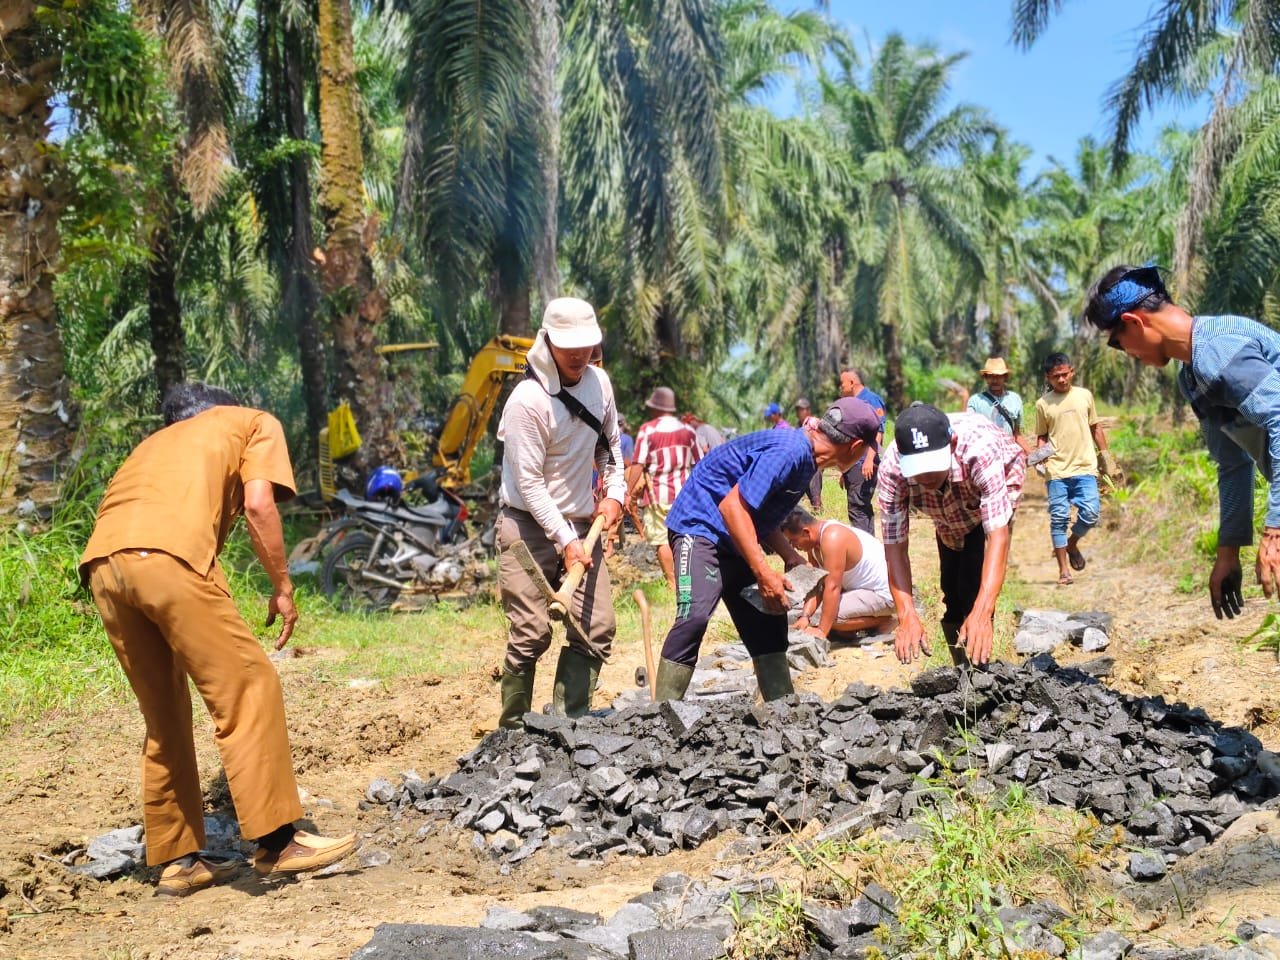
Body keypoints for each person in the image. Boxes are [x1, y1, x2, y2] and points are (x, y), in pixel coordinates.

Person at [78, 383, 358, 897]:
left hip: (103, 566)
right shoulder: (251, 421)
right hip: (168, 559)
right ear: (225, 409)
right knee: (249, 686)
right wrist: (282, 586)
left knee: (164, 716)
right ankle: (279, 843)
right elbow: (259, 505)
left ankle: (179, 861)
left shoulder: (154, 443)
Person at [1083, 262, 1280, 619]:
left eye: (1117, 343)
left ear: (1133, 322)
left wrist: (1275, 531)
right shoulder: (1192, 377)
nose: (1128, 355)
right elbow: (1232, 463)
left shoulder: (1218, 350)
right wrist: (1228, 553)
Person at [653, 398, 881, 702]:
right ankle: (659, 715)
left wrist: (790, 556)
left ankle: (781, 711)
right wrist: (762, 572)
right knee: (694, 617)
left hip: (734, 534)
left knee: (769, 619)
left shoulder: (806, 460)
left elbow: (758, 511)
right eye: (867, 450)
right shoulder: (790, 452)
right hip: (700, 527)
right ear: (855, 446)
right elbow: (733, 508)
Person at [495, 297, 625, 729]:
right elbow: (530, 483)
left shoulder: (600, 385)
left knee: (596, 628)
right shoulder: (527, 401)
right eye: (569, 346)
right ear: (547, 341)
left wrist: (615, 494)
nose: (578, 355)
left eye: (586, 345)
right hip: (527, 527)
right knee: (531, 634)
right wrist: (565, 540)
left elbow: (610, 448)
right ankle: (513, 734)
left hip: (583, 525)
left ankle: (569, 726)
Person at [879, 403, 1026, 667]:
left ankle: (979, 674)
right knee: (951, 588)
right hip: (946, 513)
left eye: (932, 465)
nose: (926, 476)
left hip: (996, 480)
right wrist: (906, 614)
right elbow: (895, 547)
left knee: (973, 586)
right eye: (918, 468)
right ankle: (961, 670)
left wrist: (982, 610)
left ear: (952, 443)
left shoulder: (979, 450)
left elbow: (997, 536)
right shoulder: (892, 468)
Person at [1034, 352, 1110, 586]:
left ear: (1072, 372)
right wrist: (1040, 458)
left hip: (1085, 467)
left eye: (1065, 374)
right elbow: (1042, 436)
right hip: (1057, 471)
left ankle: (1072, 543)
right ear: (1048, 378)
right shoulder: (1043, 404)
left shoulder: (1084, 396)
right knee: (1059, 519)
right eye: (1056, 376)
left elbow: (1095, 427)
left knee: (1091, 513)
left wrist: (1106, 455)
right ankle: (1064, 571)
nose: (1061, 379)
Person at [779, 508, 895, 640]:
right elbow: (817, 585)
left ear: (806, 532)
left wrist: (822, 631)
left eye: (793, 541)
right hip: (860, 589)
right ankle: (858, 625)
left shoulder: (832, 539)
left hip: (883, 594)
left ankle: (885, 620)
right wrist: (805, 617)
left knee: (831, 618)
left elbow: (833, 588)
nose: (792, 546)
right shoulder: (814, 543)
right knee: (822, 613)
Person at [627, 386, 701, 589]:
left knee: (662, 539)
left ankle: (671, 583)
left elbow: (638, 464)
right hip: (684, 495)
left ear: (656, 408)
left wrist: (627, 492)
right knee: (684, 538)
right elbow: (699, 463)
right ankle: (686, 581)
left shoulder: (648, 430)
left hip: (657, 495)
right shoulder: (688, 431)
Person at [838, 368, 887, 534]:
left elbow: (878, 431)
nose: (840, 386)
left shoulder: (870, 400)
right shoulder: (853, 402)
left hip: (864, 463)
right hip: (854, 464)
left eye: (842, 383)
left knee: (857, 507)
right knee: (860, 507)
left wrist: (869, 459)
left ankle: (863, 546)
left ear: (852, 382)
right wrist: (845, 468)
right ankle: (870, 544)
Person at [967, 357, 1028, 447]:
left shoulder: (1015, 399)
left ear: (1005, 377)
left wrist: (1030, 452)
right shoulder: (975, 401)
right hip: (985, 451)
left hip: (1009, 450)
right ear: (986, 378)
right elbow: (968, 430)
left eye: (998, 376)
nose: (995, 380)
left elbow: (1017, 435)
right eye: (991, 376)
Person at [794, 397, 823, 510]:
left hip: (815, 457)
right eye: (798, 410)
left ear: (808, 410)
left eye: (801, 410)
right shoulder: (797, 427)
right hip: (802, 459)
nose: (799, 412)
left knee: (814, 473)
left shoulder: (814, 423)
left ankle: (817, 504)